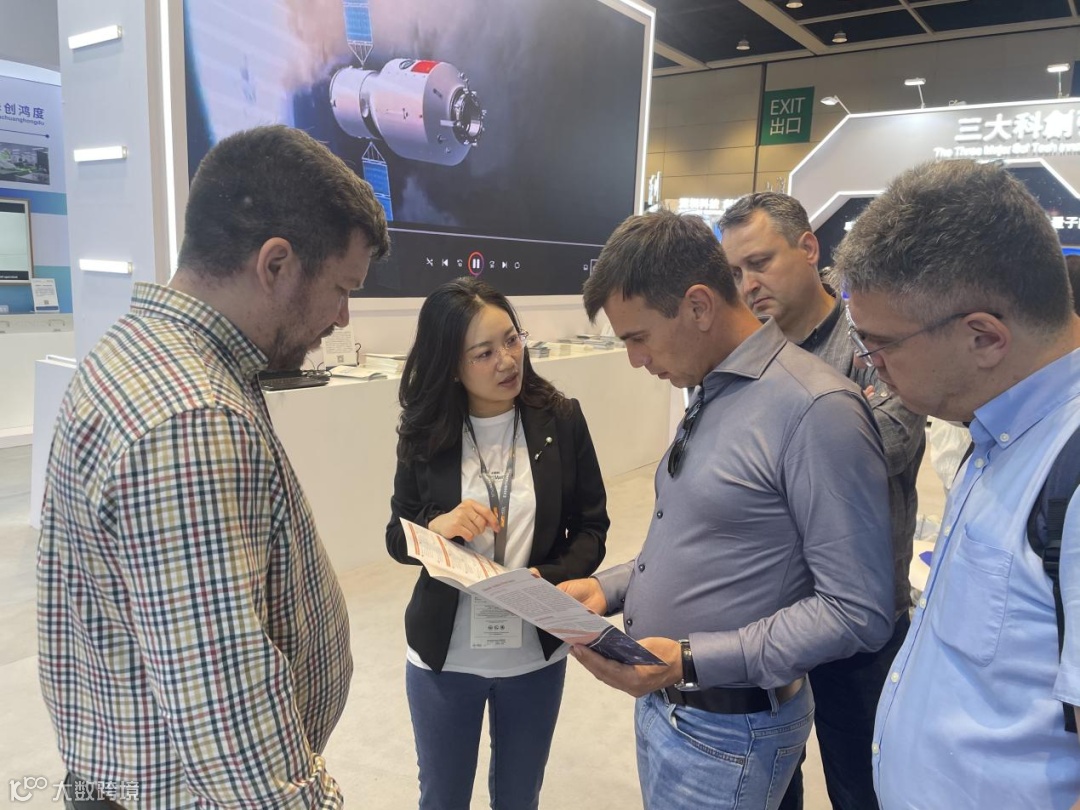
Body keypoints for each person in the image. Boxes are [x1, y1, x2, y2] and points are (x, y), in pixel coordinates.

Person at [37, 125, 390, 808]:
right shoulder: (191, 418)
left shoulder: (142, 352)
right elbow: (231, 728)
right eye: (341, 288)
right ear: (276, 264)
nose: (344, 318)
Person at [560, 209, 895, 810]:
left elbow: (856, 610)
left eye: (638, 337)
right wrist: (606, 589)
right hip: (671, 708)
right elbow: (703, 539)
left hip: (731, 733)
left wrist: (689, 660)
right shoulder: (712, 386)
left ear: (698, 306)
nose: (635, 359)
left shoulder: (816, 409)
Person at [832, 159, 1080, 809]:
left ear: (984, 338)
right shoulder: (1000, 428)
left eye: (880, 345)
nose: (871, 368)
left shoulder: (1069, 471)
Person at [718, 192, 926, 810]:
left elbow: (887, 444)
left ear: (808, 248)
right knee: (769, 782)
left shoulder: (874, 340)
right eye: (736, 272)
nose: (748, 285)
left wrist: (770, 454)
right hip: (769, 613)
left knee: (862, 785)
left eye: (760, 263)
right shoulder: (749, 355)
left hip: (860, 615)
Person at [385, 277, 609, 810]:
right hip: (444, 658)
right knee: (442, 799)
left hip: (533, 655)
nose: (507, 361)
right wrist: (437, 526)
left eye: (512, 340)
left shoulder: (561, 419)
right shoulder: (426, 432)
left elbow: (592, 527)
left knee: (518, 797)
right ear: (451, 365)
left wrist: (547, 579)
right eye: (484, 353)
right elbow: (397, 537)